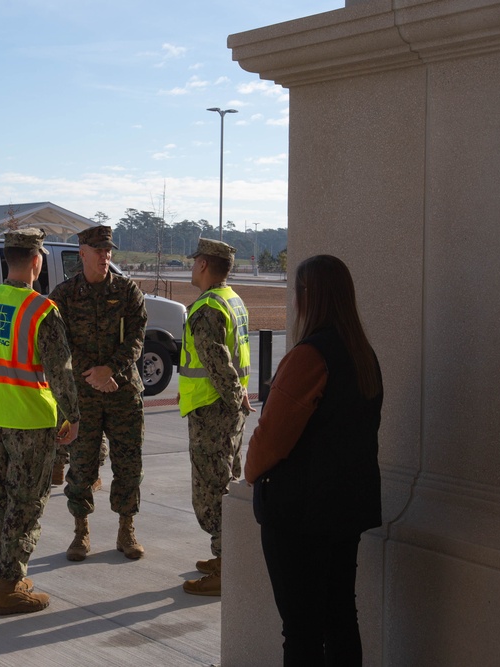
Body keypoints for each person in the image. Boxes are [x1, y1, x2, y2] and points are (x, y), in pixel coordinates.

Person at [245, 255, 383, 665]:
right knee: (340, 616)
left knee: (301, 630)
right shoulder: (362, 354)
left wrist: (251, 473)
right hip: (347, 508)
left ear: (309, 297)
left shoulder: (309, 356)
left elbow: (271, 439)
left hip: (300, 514)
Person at [0, 227, 80, 615]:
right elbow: (61, 371)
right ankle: (8, 587)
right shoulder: (41, 310)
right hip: (31, 422)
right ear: (36, 260)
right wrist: (73, 415)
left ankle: (4, 571)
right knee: (26, 504)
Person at [49, 224, 148, 562]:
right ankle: (80, 531)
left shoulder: (127, 290)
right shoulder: (62, 295)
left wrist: (111, 370)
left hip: (122, 391)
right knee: (81, 464)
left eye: (109, 250)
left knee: (128, 463)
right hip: (83, 397)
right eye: (99, 250)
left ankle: (126, 528)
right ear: (83, 253)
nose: (106, 256)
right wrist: (93, 374)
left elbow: (136, 338)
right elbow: (58, 346)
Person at [179, 237, 253, 596]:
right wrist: (239, 397)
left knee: (211, 491)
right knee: (228, 479)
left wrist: (233, 395)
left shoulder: (207, 307)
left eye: (195, 262)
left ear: (205, 265)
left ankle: (226, 564)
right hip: (228, 408)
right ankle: (232, 555)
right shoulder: (232, 300)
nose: (192, 267)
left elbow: (217, 361)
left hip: (212, 409)